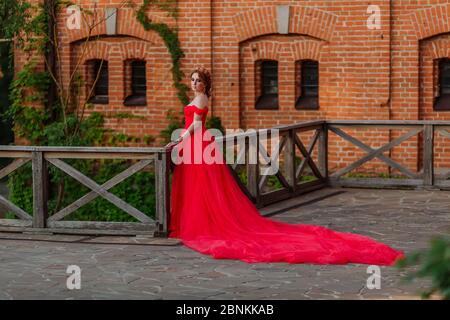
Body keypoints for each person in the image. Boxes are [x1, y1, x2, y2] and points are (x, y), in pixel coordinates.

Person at [165, 66, 404, 265]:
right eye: (193, 80)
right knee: (197, 186)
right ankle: (197, 221)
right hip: (195, 144)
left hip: (198, 142)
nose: (195, 83)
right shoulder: (196, 97)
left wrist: (179, 140)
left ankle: (205, 225)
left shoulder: (202, 98)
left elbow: (196, 125)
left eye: (199, 80)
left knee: (205, 186)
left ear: (206, 84)